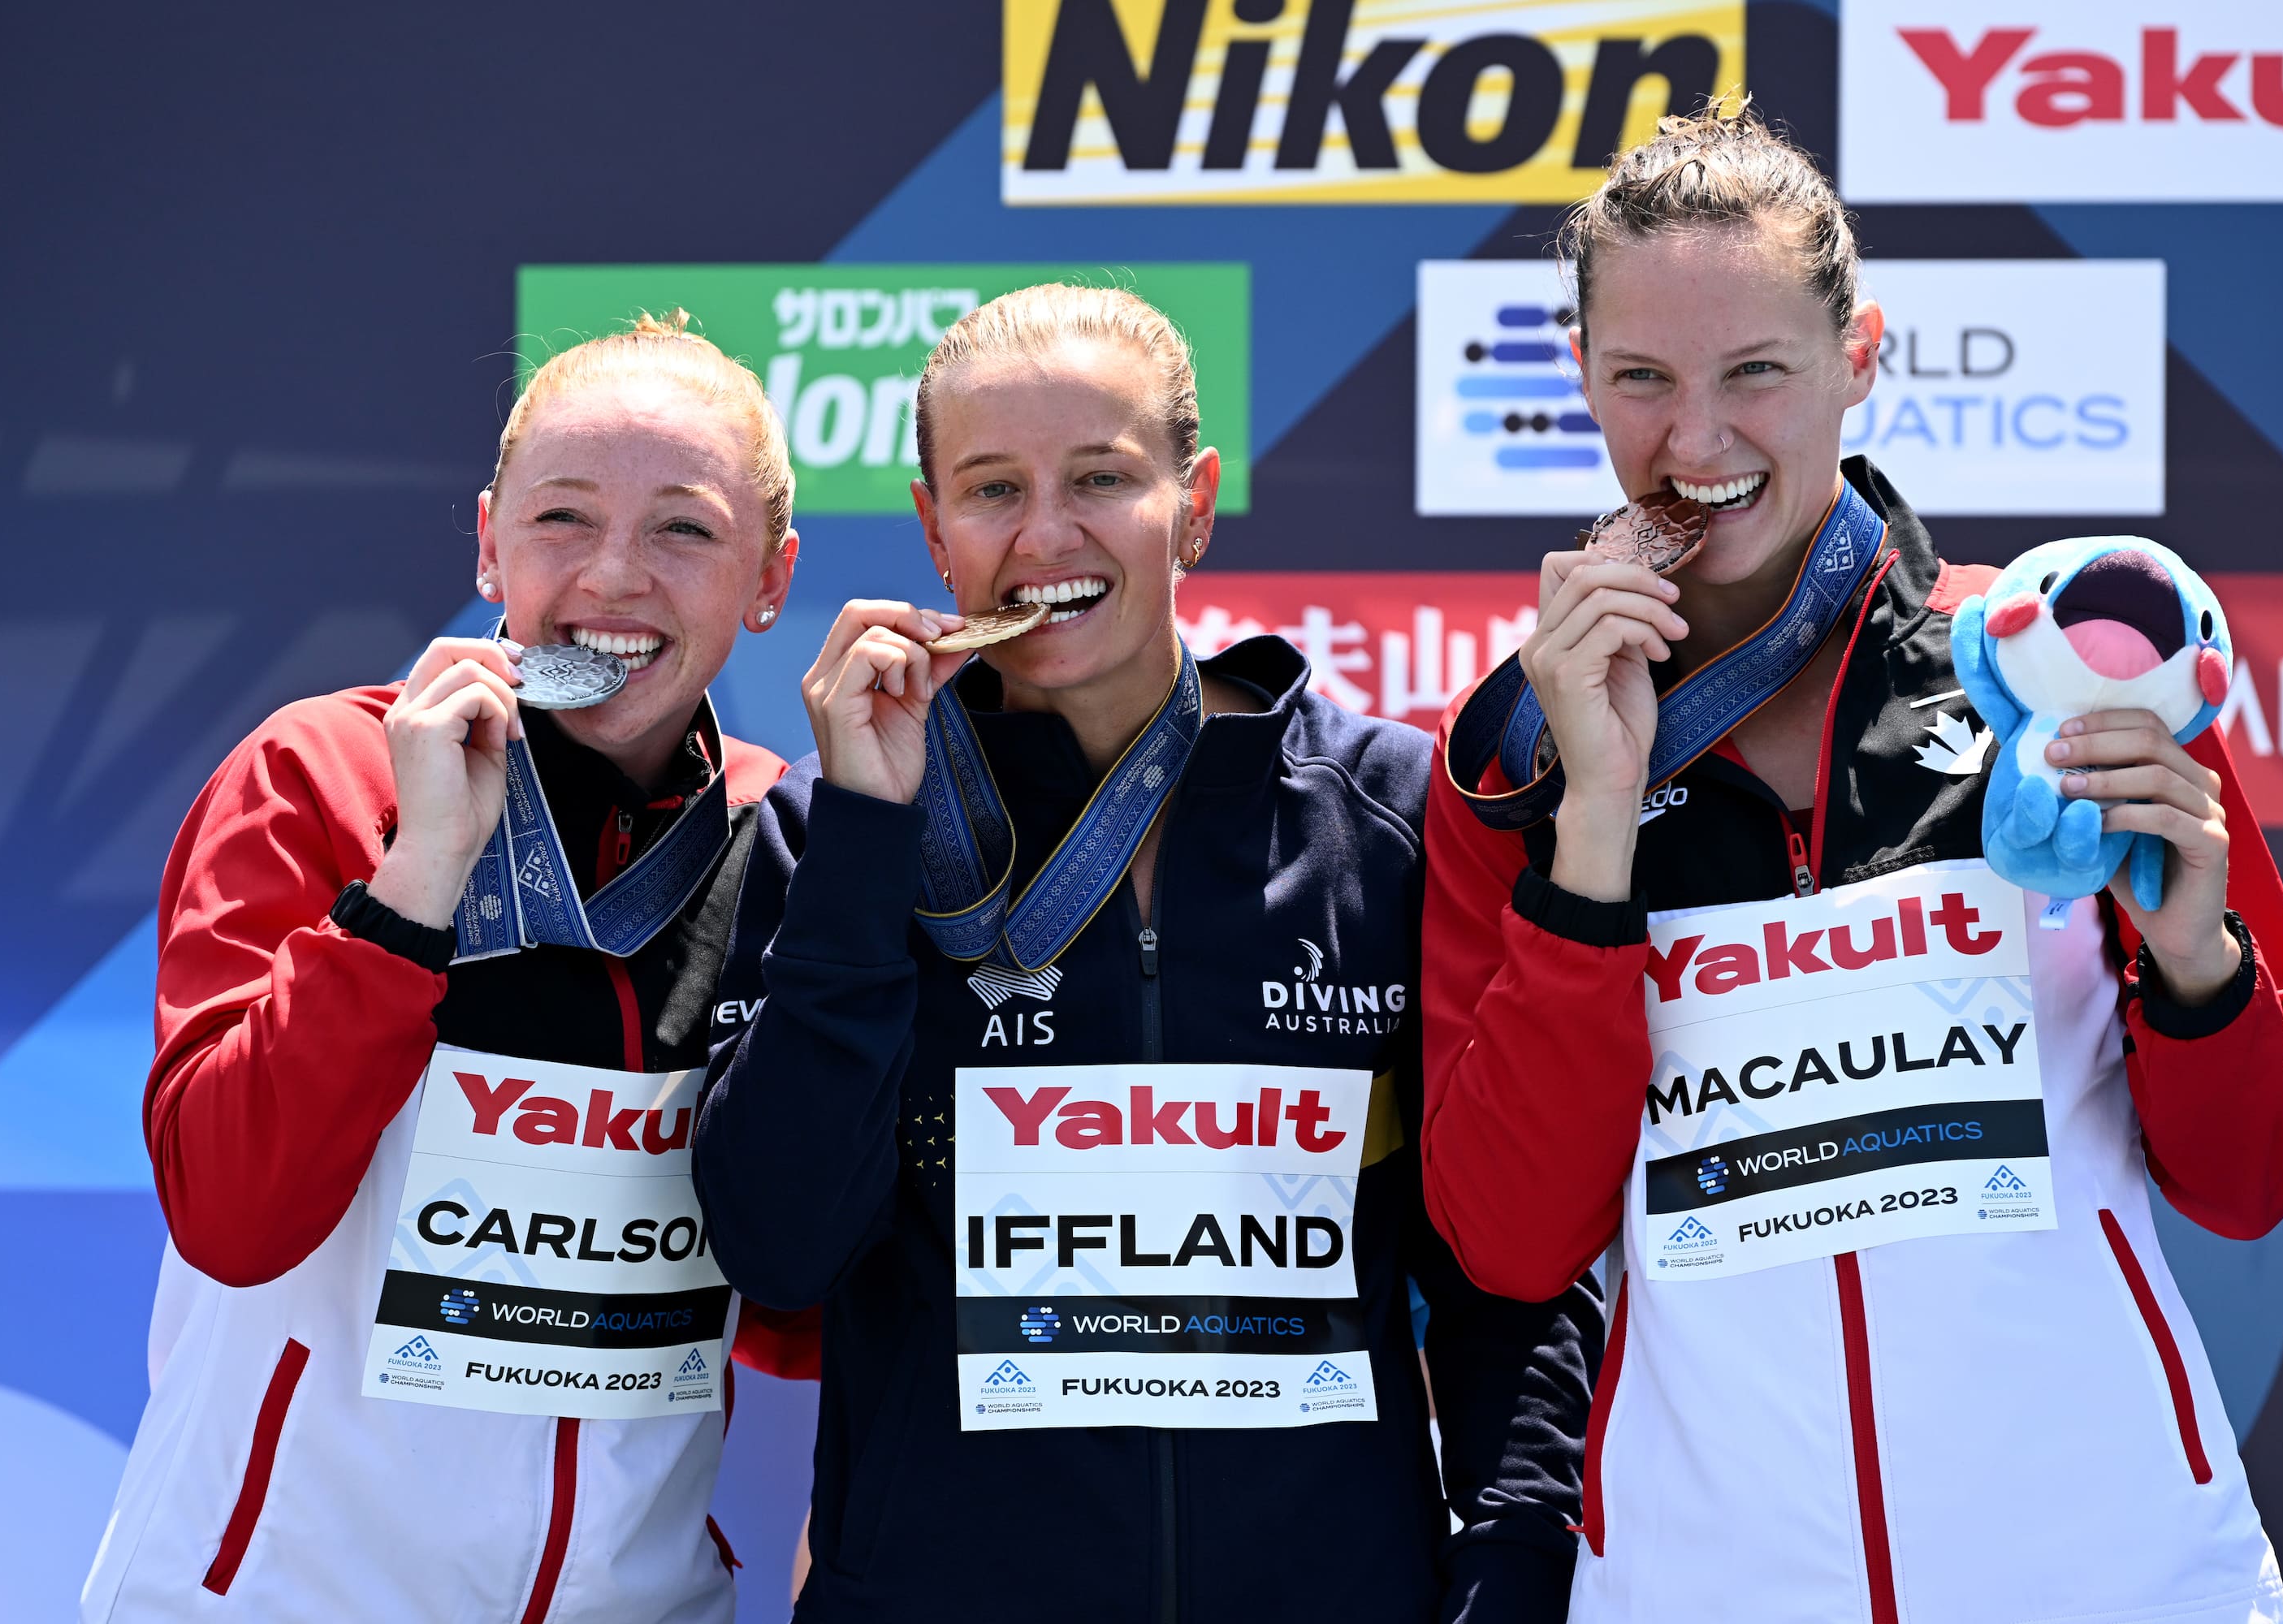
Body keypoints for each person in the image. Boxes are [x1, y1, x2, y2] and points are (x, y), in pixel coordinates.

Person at [1421, 106, 2283, 1624]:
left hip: (2113, 1579)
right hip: (1703, 1589)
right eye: (1641, 377)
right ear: (1579, 370)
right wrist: (1593, 831)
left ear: (1860, 357)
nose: (1693, 443)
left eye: (1754, 374)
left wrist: (2196, 966)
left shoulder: (2061, 681)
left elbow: (2252, 1181)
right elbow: (1511, 1251)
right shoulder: (1522, 763)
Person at [693, 283, 1599, 1622]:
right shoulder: (828, 839)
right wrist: (867, 853)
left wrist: (1514, 1554)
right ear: (933, 528)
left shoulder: (1397, 818)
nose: (1046, 534)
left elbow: (1502, 1263)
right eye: (993, 489)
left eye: (1102, 478)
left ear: (1197, 502)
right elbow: (779, 1248)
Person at [82, 313, 816, 1622]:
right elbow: (234, 1219)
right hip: (280, 1599)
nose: (616, 575)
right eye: (562, 521)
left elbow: (783, 1310)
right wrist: (415, 885)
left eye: (685, 530)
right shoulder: (319, 773)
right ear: (488, 540)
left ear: (770, 576)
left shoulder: (780, 839)